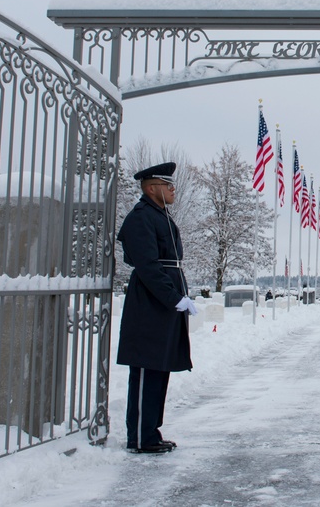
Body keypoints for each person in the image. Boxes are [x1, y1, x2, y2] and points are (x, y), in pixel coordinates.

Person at [116, 162, 199, 455]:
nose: (173, 190)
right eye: (168, 185)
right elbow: (148, 266)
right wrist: (173, 297)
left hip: (161, 302)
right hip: (149, 303)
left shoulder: (158, 215)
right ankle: (139, 436)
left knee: (159, 368)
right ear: (152, 188)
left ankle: (150, 431)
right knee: (146, 368)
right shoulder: (141, 218)